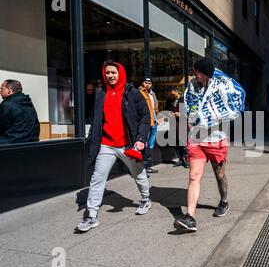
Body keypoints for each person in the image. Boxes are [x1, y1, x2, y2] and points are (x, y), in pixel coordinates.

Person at [76, 60, 151, 233]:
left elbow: (145, 116)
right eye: (108, 73)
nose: (110, 76)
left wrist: (140, 138)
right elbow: (97, 117)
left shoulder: (132, 93)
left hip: (128, 144)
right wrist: (91, 138)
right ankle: (91, 216)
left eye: (113, 73)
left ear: (120, 73)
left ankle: (146, 199)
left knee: (138, 174)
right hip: (106, 144)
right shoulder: (101, 92)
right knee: (97, 178)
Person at [173, 57, 245, 232]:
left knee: (220, 175)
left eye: (197, 72)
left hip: (216, 139)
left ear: (205, 73)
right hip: (197, 139)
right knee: (194, 176)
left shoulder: (221, 86)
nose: (194, 74)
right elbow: (188, 106)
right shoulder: (192, 86)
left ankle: (224, 201)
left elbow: (231, 107)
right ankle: (190, 217)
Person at [0, 80, 40, 144]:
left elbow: (1, 126)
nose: (0, 91)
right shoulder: (28, 103)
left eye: (2, 89)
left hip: (12, 143)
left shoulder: (7, 104)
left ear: (9, 90)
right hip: (32, 142)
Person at [139, 77, 160, 175]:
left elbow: (155, 108)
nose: (147, 85)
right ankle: (142, 168)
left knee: (150, 145)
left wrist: (157, 118)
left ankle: (148, 166)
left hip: (154, 122)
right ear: (143, 83)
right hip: (146, 123)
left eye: (149, 83)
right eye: (146, 83)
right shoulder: (139, 93)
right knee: (144, 145)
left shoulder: (152, 94)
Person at [165, 86, 189, 169]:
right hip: (173, 124)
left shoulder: (184, 100)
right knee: (176, 143)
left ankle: (186, 160)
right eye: (170, 95)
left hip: (182, 123)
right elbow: (166, 110)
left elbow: (190, 112)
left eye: (172, 94)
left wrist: (181, 114)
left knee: (183, 143)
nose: (171, 96)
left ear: (176, 91)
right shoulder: (169, 100)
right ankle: (180, 159)